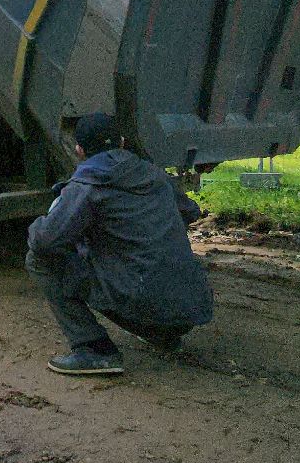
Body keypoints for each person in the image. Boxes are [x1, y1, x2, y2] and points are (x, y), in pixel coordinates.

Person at [25, 113, 214, 375]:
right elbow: (190, 211)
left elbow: (45, 241)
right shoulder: (154, 174)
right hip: (189, 304)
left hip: (139, 297)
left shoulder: (88, 185)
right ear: (123, 142)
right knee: (135, 271)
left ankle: (95, 349)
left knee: (38, 259)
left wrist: (42, 223)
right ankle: (163, 335)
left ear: (79, 151)